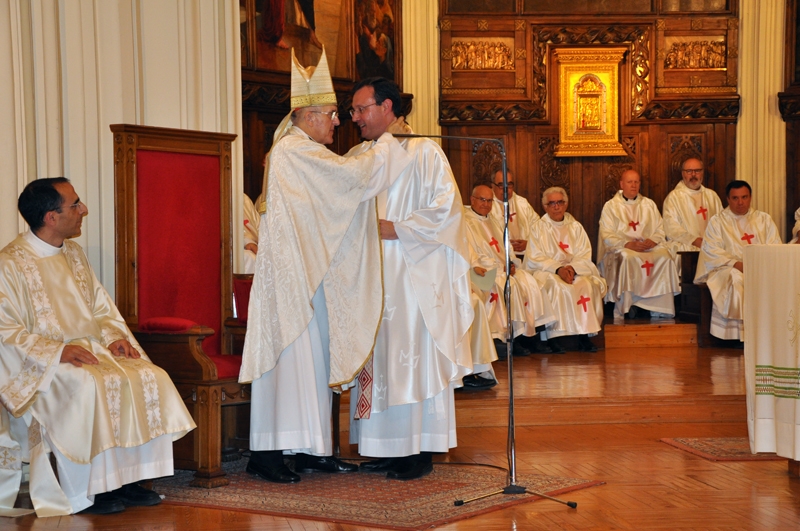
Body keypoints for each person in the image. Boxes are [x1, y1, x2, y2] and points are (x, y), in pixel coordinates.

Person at [239, 51, 412, 484]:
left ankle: (310, 449)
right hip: (290, 281)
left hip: (308, 276)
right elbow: (354, 180)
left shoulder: (303, 150)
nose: (338, 122)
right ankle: (267, 454)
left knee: (312, 365)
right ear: (309, 114)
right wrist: (386, 142)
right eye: (333, 114)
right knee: (290, 365)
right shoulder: (295, 152)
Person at [0, 178, 195, 516]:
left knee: (150, 375)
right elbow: (6, 331)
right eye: (75, 204)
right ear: (51, 217)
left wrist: (114, 338)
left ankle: (131, 480)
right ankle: (93, 489)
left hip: (92, 349)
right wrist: (56, 352)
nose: (83, 210)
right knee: (89, 384)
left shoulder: (74, 254)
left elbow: (101, 309)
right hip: (44, 364)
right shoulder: (10, 264)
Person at [347, 77, 474, 480]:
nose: (355, 118)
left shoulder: (425, 152)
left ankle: (417, 449)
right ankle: (383, 447)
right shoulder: (360, 155)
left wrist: (399, 228)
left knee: (409, 359)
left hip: (412, 275)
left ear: (387, 107)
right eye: (352, 111)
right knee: (380, 359)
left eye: (361, 109)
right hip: (371, 277)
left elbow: (447, 210)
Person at [464, 184, 557, 356]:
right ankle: (511, 339)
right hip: (486, 270)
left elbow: (507, 247)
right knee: (509, 287)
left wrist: (512, 261)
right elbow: (471, 253)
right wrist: (499, 266)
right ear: (472, 200)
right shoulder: (465, 221)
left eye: (489, 201)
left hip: (505, 267)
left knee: (531, 283)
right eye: (482, 200)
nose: (486, 204)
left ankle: (532, 336)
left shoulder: (495, 221)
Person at [694, 180, 781, 341]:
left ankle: (765, 333)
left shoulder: (764, 220)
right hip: (725, 268)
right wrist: (736, 264)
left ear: (750, 197)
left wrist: (758, 265)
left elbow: (775, 246)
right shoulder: (717, 221)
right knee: (737, 278)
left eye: (744, 197)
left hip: (760, 268)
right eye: (735, 198)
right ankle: (737, 335)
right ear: (727, 199)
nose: (740, 202)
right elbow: (711, 250)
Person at [524, 187, 607, 352]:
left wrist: (572, 268)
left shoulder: (575, 227)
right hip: (548, 272)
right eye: (552, 203)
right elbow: (535, 257)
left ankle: (584, 334)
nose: (556, 207)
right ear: (545, 207)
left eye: (559, 202)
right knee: (556, 285)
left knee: (585, 284)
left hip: (574, 270)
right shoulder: (538, 228)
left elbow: (584, 254)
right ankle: (553, 337)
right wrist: (558, 269)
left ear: (566, 204)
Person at [597, 169, 680, 320]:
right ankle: (627, 305)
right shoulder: (611, 206)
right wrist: (627, 244)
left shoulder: (649, 204)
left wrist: (652, 240)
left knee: (665, 257)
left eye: (636, 182)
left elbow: (660, 229)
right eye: (630, 182)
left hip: (649, 247)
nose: (633, 185)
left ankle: (660, 307)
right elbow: (606, 235)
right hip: (624, 249)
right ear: (622, 184)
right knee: (628, 258)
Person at [662, 158, 723, 257]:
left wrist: (713, 242)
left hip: (712, 247)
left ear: (702, 173)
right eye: (689, 171)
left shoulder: (712, 196)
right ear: (683, 174)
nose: (693, 175)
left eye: (697, 171)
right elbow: (671, 228)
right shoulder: (674, 197)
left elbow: (721, 222)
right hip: (687, 247)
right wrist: (694, 240)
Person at [489, 169, 539, 257]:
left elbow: (539, 229)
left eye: (509, 184)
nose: (506, 189)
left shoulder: (522, 203)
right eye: (501, 185)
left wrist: (529, 243)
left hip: (526, 255)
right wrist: (506, 245)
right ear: (492, 186)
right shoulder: (487, 205)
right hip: (500, 256)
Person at [242, 192, 260, 274]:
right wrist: (246, 241)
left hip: (258, 247)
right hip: (238, 249)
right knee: (250, 258)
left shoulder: (244, 198)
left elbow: (259, 226)